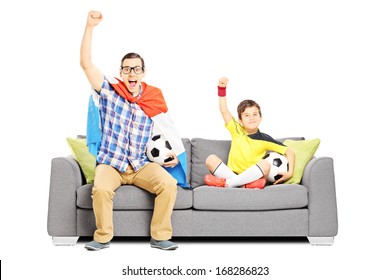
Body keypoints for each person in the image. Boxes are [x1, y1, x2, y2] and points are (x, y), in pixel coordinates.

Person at [80, 11, 180, 251]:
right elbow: (85, 63)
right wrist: (89, 27)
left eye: (136, 69)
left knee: (168, 184)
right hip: (111, 163)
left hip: (140, 165)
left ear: (143, 73)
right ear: (121, 73)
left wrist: (174, 153)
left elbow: (166, 130)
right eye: (127, 69)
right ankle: (102, 237)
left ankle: (160, 236)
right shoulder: (109, 91)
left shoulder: (152, 99)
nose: (131, 74)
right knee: (101, 188)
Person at [204, 77, 295, 189]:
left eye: (255, 114)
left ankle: (228, 183)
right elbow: (224, 110)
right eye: (247, 115)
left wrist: (290, 173)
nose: (251, 118)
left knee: (266, 164)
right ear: (240, 120)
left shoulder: (265, 139)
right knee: (210, 159)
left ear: (260, 117)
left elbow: (289, 151)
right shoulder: (236, 130)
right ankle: (242, 184)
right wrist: (221, 89)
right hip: (232, 173)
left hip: (254, 176)